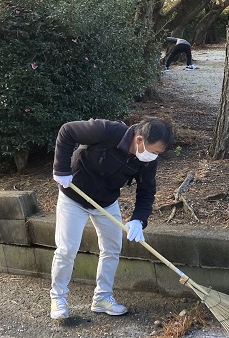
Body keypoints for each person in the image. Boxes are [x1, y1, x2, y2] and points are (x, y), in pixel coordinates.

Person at [49, 117, 172, 320]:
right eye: (155, 151)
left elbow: (147, 191)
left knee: (112, 248)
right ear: (139, 140)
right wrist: (61, 169)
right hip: (74, 194)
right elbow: (67, 130)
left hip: (106, 201)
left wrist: (139, 220)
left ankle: (102, 298)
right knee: (67, 249)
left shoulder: (147, 161)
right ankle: (58, 298)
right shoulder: (108, 131)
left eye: (159, 153)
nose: (154, 156)